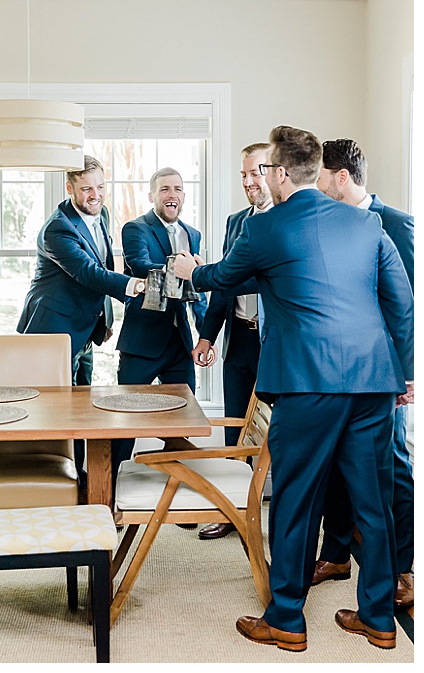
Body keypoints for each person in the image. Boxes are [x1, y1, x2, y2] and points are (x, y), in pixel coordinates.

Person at [173, 125, 413, 651]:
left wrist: (193, 269)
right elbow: (400, 301)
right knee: (371, 501)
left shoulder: (266, 229)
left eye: (266, 171)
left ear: (281, 174)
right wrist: (399, 374)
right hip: (372, 380)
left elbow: (222, 276)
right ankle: (377, 617)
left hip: (308, 383)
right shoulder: (367, 223)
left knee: (296, 499)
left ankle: (285, 618)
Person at [313, 138, 414, 608]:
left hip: (384, 378)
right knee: (337, 465)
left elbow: (405, 307)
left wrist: (406, 376)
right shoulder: (333, 227)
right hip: (339, 375)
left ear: (341, 177)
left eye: (321, 179)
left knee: (391, 470)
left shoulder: (395, 224)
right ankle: (335, 555)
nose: (317, 189)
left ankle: (401, 570)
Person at [17, 155, 145, 489]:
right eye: (86, 188)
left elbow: (103, 261)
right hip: (52, 331)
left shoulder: (99, 213)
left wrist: (106, 316)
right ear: (70, 187)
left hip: (85, 330)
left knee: (79, 408)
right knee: (56, 413)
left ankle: (82, 482)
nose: (95, 194)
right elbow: (88, 273)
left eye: (100, 187)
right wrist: (132, 286)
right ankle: (60, 485)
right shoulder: (58, 228)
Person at [192, 143, 273, 540]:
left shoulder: (287, 221)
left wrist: (206, 273)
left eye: (254, 172)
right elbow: (223, 288)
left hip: (277, 344)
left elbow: (257, 278)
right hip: (239, 340)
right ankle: (229, 510)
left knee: (282, 434)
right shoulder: (234, 222)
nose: (248, 182)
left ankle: (284, 525)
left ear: (274, 170)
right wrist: (207, 336)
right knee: (236, 429)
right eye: (243, 175)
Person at [115, 167, 207, 479]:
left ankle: (182, 490)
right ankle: (110, 489)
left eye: (178, 189)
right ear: (153, 195)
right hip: (141, 341)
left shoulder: (192, 234)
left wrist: (206, 335)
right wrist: (184, 267)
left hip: (178, 341)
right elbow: (140, 265)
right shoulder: (135, 228)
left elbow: (197, 290)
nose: (172, 195)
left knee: (185, 421)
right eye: (165, 189)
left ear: (184, 195)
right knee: (124, 422)